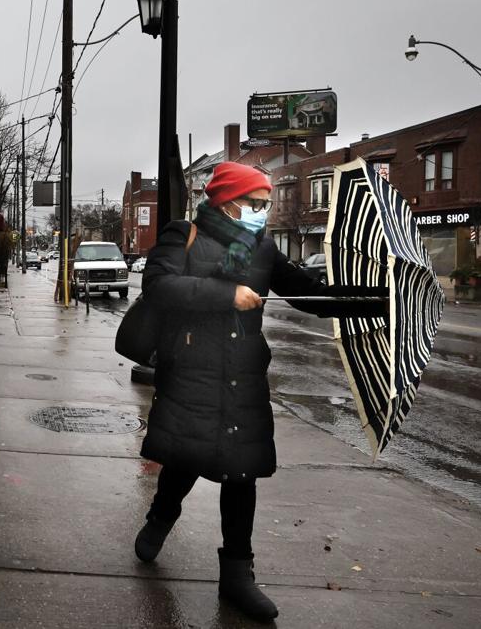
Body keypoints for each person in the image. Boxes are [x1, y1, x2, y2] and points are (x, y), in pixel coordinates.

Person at [136, 161, 385, 621]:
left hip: (243, 377)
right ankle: (161, 517)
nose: (261, 212)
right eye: (254, 203)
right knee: (185, 457)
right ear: (225, 200)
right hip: (192, 370)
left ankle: (237, 575)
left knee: (240, 472)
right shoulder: (182, 235)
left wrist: (381, 299)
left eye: (265, 204)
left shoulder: (263, 247)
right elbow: (160, 287)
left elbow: (311, 294)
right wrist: (226, 295)